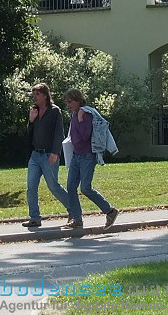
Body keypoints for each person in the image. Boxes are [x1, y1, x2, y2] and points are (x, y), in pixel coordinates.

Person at [62, 87, 119, 230]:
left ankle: (110, 211)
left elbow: (85, 135)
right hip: (76, 156)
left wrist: (81, 120)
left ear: (78, 100)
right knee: (70, 187)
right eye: (67, 102)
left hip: (87, 156)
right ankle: (77, 219)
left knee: (86, 188)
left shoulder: (86, 114)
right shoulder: (74, 115)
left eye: (70, 102)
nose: (68, 105)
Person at [23, 82, 70, 227]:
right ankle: (35, 218)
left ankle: (74, 210)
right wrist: (31, 120)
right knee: (31, 186)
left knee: (53, 186)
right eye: (33, 94)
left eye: (37, 94)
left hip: (49, 154)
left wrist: (55, 152)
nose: (34, 97)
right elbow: (29, 134)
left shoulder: (55, 111)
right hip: (35, 155)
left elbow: (58, 134)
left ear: (45, 95)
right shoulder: (34, 111)